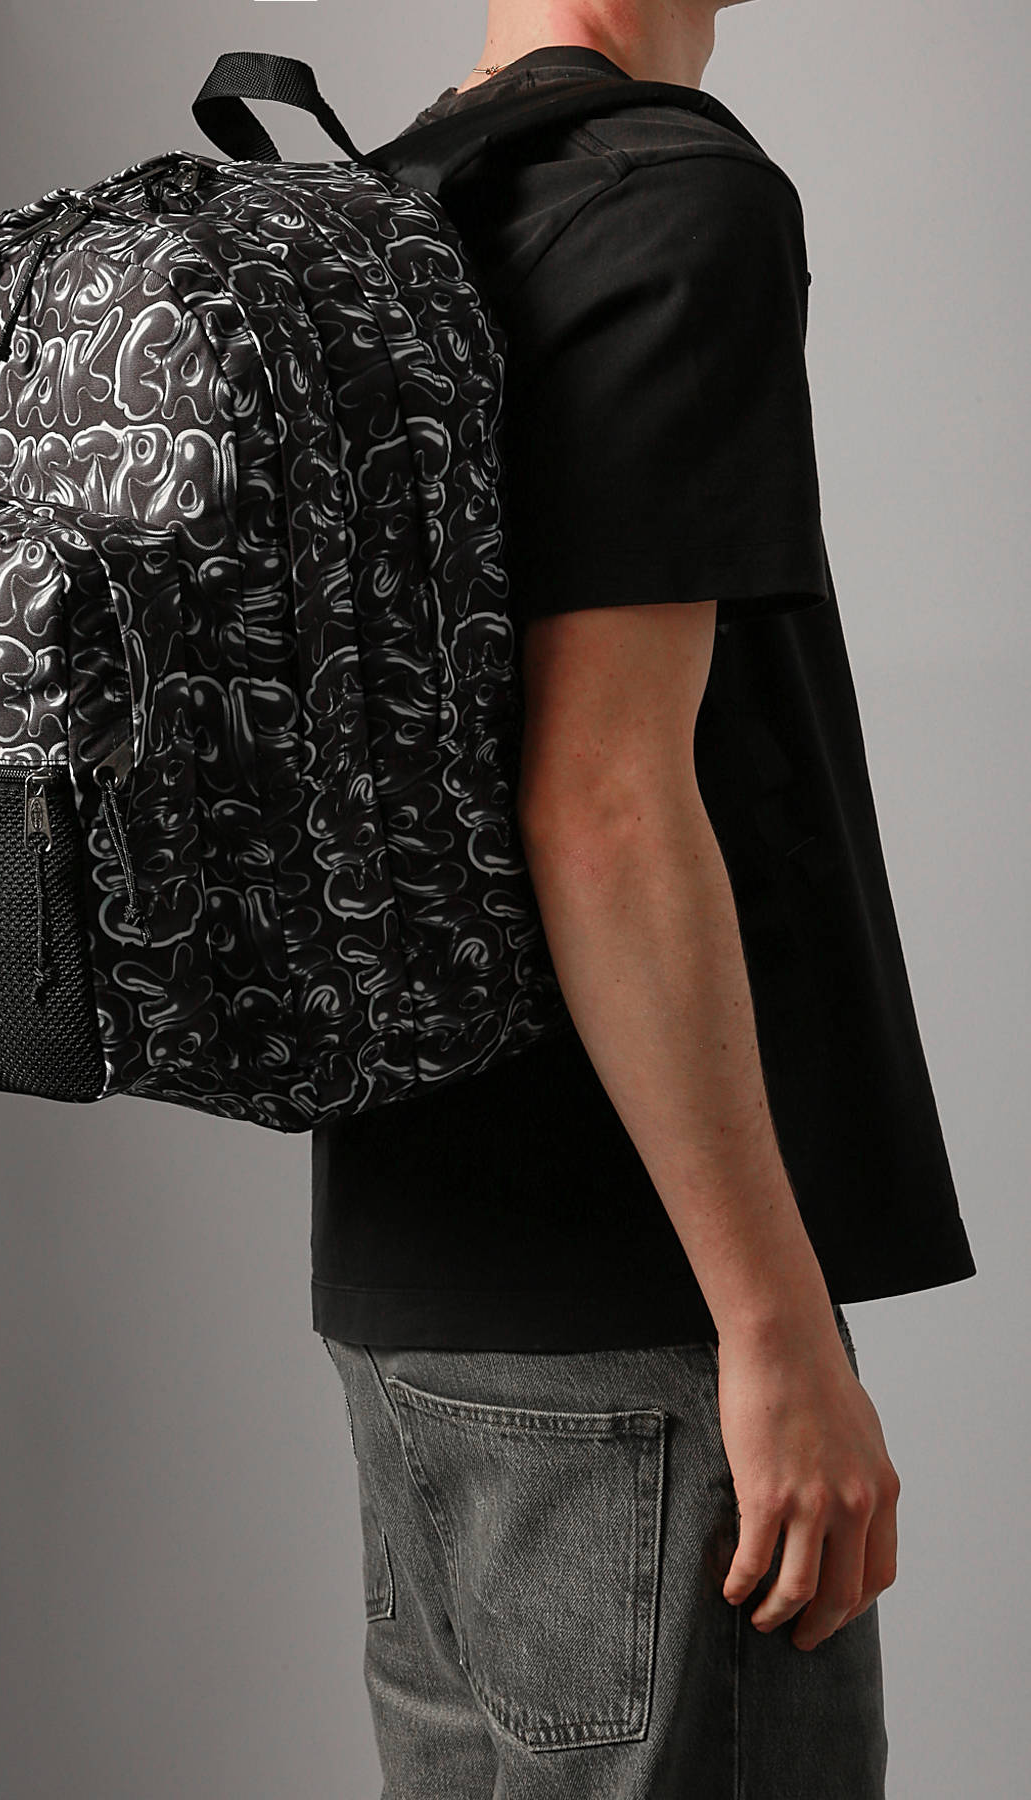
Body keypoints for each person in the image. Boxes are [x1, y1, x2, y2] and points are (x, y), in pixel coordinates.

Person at [312, 3, 978, 1794]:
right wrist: (773, 1332)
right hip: (639, 1316)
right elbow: (600, 801)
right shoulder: (671, 198)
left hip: (415, 1285)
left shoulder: (406, 190)